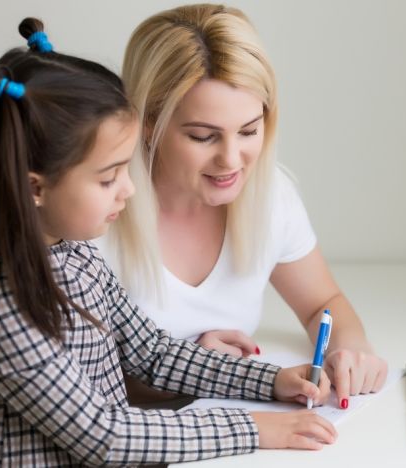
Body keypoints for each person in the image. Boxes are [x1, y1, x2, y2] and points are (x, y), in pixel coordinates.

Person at [0, 18, 336, 466]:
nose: (129, 189)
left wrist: (268, 381)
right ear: (35, 188)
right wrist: (254, 429)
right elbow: (105, 435)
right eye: (108, 177)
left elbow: (153, 353)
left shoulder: (75, 254)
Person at [102, 3, 387, 410]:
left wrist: (352, 350)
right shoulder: (94, 217)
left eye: (250, 130)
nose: (232, 160)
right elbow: (66, 379)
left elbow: (322, 303)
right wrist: (198, 366)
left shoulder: (270, 196)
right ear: (148, 123)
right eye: (203, 136)